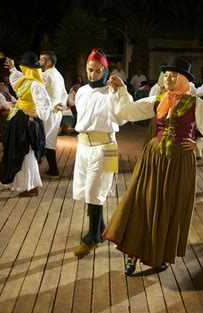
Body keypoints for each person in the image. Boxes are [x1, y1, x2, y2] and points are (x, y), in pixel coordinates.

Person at [104, 57, 203, 275]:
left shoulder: (196, 104)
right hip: (153, 158)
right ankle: (132, 254)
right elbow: (127, 112)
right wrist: (122, 91)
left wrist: (199, 144)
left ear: (183, 79)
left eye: (173, 75)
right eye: (166, 75)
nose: (168, 79)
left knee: (168, 206)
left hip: (180, 162)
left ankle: (160, 254)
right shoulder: (157, 100)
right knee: (140, 202)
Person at [72, 48, 126, 258]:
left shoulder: (112, 92)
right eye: (89, 70)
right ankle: (101, 229)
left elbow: (121, 119)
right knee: (88, 190)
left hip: (105, 147)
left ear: (105, 70)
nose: (92, 74)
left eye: (97, 71)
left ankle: (92, 237)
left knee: (95, 190)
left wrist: (120, 93)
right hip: (83, 146)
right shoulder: (82, 91)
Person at [0, 52, 51, 197]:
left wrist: (35, 114)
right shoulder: (25, 80)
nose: (22, 69)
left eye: (23, 67)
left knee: (26, 152)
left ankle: (30, 186)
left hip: (27, 121)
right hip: (19, 118)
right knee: (19, 150)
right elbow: (16, 78)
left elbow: (44, 104)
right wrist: (12, 69)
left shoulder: (36, 85)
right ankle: (25, 185)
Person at [39, 51, 68, 178]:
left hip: (47, 112)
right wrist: (62, 104)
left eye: (41, 60)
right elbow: (64, 94)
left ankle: (32, 172)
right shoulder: (59, 75)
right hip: (56, 113)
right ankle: (53, 169)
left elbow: (38, 93)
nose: (39, 62)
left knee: (41, 140)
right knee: (49, 141)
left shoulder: (45, 75)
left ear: (48, 62)